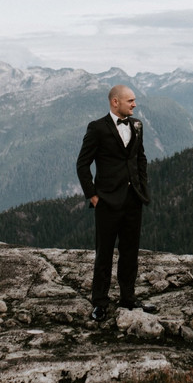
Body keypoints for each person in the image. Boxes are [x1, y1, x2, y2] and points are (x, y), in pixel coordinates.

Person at [76, 84, 156, 322]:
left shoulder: (137, 126)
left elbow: (140, 158)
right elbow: (82, 164)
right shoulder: (97, 128)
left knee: (130, 252)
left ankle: (127, 297)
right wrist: (93, 195)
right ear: (115, 102)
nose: (135, 104)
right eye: (130, 101)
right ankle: (99, 302)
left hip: (133, 201)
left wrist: (142, 188)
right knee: (104, 254)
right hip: (107, 202)